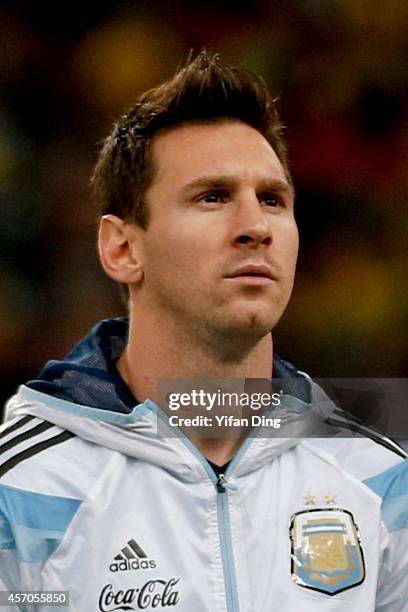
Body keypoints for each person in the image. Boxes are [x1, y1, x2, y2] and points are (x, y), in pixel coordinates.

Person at [0, 51, 407, 612]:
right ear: (121, 249)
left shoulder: (380, 478)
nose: (255, 228)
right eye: (212, 197)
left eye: (272, 200)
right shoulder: (21, 488)